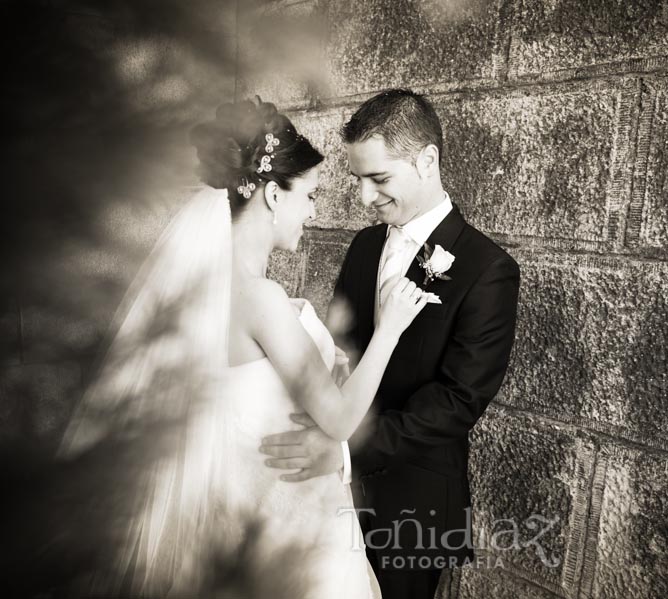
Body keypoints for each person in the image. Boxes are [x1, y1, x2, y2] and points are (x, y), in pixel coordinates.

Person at [59, 99, 430, 598]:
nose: (314, 213)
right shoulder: (261, 299)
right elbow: (340, 420)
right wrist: (389, 330)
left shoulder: (207, 287)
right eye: (310, 196)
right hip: (290, 527)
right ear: (274, 196)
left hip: (239, 519)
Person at [261, 89, 521, 599]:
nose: (364, 197)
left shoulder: (486, 269)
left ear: (427, 161)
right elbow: (338, 352)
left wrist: (343, 451)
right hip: (323, 495)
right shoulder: (364, 246)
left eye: (379, 179)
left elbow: (457, 402)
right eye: (359, 179)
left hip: (410, 505)